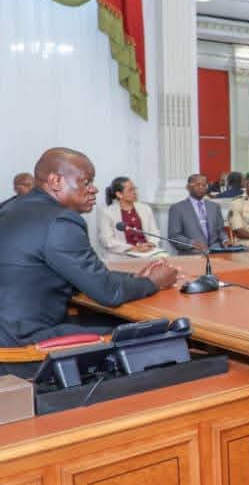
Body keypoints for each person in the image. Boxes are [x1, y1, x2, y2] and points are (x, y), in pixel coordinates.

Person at [0, 148, 177, 356]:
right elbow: (108, 293)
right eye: (86, 182)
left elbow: (81, 273)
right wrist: (154, 282)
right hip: (24, 345)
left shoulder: (9, 207)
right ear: (56, 181)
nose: (94, 189)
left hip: (8, 331)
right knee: (159, 334)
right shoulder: (60, 221)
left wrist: (135, 279)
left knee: (103, 319)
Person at [97, 176, 162, 257]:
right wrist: (133, 248)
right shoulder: (107, 212)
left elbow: (154, 232)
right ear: (119, 194)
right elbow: (107, 240)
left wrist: (151, 243)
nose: (135, 192)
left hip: (148, 252)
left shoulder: (145, 208)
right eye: (130, 190)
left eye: (134, 189)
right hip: (122, 255)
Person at [168, 174, 229, 253]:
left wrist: (225, 240)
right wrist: (191, 243)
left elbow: (220, 230)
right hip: (192, 252)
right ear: (188, 187)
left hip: (216, 250)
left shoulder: (214, 206)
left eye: (204, 185)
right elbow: (174, 236)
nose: (201, 187)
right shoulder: (177, 208)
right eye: (197, 184)